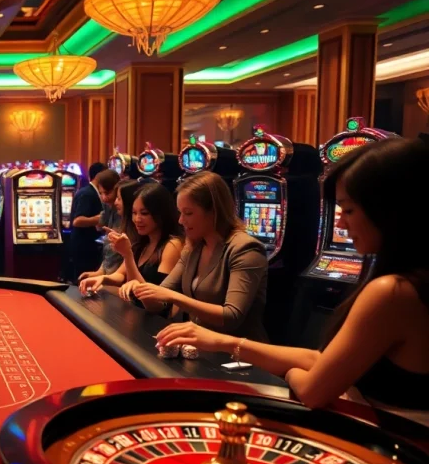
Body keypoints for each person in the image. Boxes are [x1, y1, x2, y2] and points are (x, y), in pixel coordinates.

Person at [157, 139, 429, 410]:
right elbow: (321, 359)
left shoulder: (392, 291)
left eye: (348, 210)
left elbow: (313, 390)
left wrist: (287, 373)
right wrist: (224, 343)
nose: (341, 223)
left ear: (389, 210)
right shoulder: (411, 282)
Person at [132, 171, 268, 341]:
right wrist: (142, 291)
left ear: (214, 212)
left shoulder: (245, 249)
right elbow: (160, 302)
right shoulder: (193, 246)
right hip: (199, 345)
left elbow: (231, 317)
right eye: (180, 213)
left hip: (238, 354)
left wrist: (176, 297)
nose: (180, 221)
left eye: (188, 213)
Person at [80, 183, 183, 301]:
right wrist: (102, 278)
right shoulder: (142, 242)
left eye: (144, 213)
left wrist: (128, 255)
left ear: (161, 214)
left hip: (156, 317)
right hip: (135, 311)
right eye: (134, 213)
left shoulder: (172, 245)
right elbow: (120, 275)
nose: (137, 219)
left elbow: (155, 300)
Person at [77, 180, 138, 283]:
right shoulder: (118, 219)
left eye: (119, 198)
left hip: (123, 288)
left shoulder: (137, 233)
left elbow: (123, 275)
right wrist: (99, 273)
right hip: (112, 283)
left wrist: (102, 278)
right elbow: (110, 259)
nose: (115, 202)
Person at [66, 168, 120, 281]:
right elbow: (80, 222)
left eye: (108, 193)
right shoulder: (89, 195)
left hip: (118, 266)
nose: (104, 197)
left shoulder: (123, 209)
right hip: (95, 253)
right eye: (101, 193)